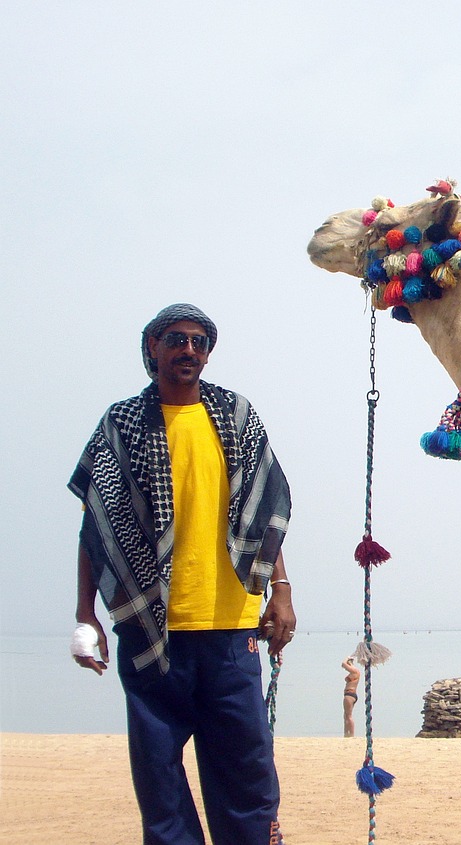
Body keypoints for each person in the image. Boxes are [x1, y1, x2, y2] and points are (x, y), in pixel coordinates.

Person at [69, 303, 294, 844]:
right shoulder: (121, 425)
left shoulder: (236, 417)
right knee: (160, 786)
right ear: (152, 348)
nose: (187, 350)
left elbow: (265, 517)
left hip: (231, 628)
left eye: (198, 341)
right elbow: (95, 528)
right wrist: (85, 617)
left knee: (247, 778)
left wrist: (280, 591)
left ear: (208, 352)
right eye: (175, 339)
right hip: (151, 630)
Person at [342, 656, 361, 738]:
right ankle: (346, 733)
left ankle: (351, 734)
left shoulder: (355, 671)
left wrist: (346, 658)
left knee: (349, 715)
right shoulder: (354, 672)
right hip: (349, 694)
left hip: (350, 694)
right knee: (346, 715)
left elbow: (343, 664)